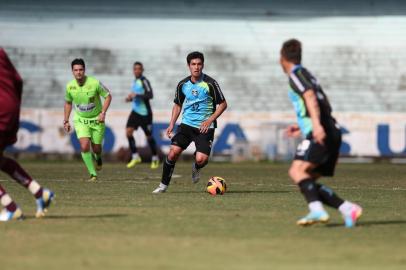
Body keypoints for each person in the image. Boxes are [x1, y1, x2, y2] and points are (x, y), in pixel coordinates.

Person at [280, 39, 362, 228]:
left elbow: (309, 96)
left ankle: (317, 210)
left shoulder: (296, 75)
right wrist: (302, 126)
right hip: (331, 130)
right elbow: (325, 104)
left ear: (282, 58)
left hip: (320, 133)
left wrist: (316, 126)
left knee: (296, 171)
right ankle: (347, 208)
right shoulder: (307, 74)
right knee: (305, 179)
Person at [152, 51, 227, 193]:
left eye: (199, 64)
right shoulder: (182, 84)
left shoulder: (210, 83)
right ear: (188, 66)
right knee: (173, 153)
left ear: (203, 65)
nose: (196, 67)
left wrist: (210, 119)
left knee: (201, 159)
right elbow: (177, 104)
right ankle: (163, 186)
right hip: (186, 125)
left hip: (205, 128)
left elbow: (223, 104)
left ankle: (196, 167)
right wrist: (171, 124)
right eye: (193, 64)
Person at [0, 48, 54, 222]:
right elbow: (18, 80)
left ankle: (11, 209)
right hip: (11, 108)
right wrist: (14, 106)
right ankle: (40, 193)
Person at [64, 58, 112, 182]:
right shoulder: (69, 86)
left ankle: (98, 157)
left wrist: (103, 113)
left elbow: (108, 96)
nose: (78, 72)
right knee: (84, 146)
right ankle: (93, 174)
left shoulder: (95, 83)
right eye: (76, 70)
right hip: (81, 120)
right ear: (72, 71)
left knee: (96, 148)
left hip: (97, 120)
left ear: (84, 70)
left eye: (80, 70)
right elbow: (68, 103)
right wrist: (66, 120)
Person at [125, 62, 160, 169]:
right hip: (135, 112)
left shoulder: (144, 81)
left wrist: (137, 95)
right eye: (135, 69)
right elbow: (136, 96)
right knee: (128, 132)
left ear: (142, 70)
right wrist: (130, 98)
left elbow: (150, 95)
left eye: (139, 69)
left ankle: (155, 158)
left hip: (145, 114)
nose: (137, 71)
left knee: (148, 136)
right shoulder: (134, 82)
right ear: (133, 70)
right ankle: (135, 156)